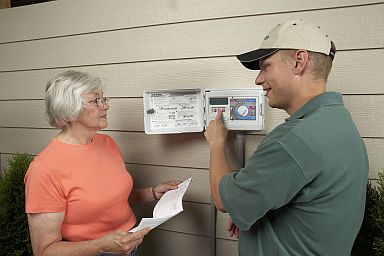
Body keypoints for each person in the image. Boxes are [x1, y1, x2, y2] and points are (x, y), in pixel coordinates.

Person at [204, 19, 369, 255]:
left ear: (298, 61)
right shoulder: (339, 121)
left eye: (266, 66)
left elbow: (222, 199)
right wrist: (254, 213)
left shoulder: (293, 140)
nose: (258, 79)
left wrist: (217, 144)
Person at [24, 70, 181, 256]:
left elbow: (110, 201)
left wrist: (153, 192)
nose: (105, 106)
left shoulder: (107, 143)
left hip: (130, 245)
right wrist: (100, 246)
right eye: (95, 100)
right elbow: (45, 251)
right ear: (68, 109)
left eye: (104, 99)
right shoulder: (44, 170)